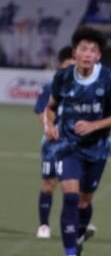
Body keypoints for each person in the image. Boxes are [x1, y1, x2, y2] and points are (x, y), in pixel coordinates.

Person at [42, 27, 111, 256]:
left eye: (93, 50)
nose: (88, 54)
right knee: (70, 197)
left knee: (84, 200)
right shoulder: (63, 77)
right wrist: (49, 125)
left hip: (97, 150)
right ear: (75, 52)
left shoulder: (108, 80)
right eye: (83, 49)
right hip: (68, 147)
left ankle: (79, 236)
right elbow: (51, 107)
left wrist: (94, 125)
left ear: (98, 55)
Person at [34, 46, 74, 239]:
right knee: (49, 183)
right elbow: (41, 112)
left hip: (75, 143)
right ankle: (44, 225)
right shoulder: (51, 87)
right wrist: (48, 127)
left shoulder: (84, 88)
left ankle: (77, 224)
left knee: (74, 185)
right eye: (68, 65)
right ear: (60, 65)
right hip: (53, 143)